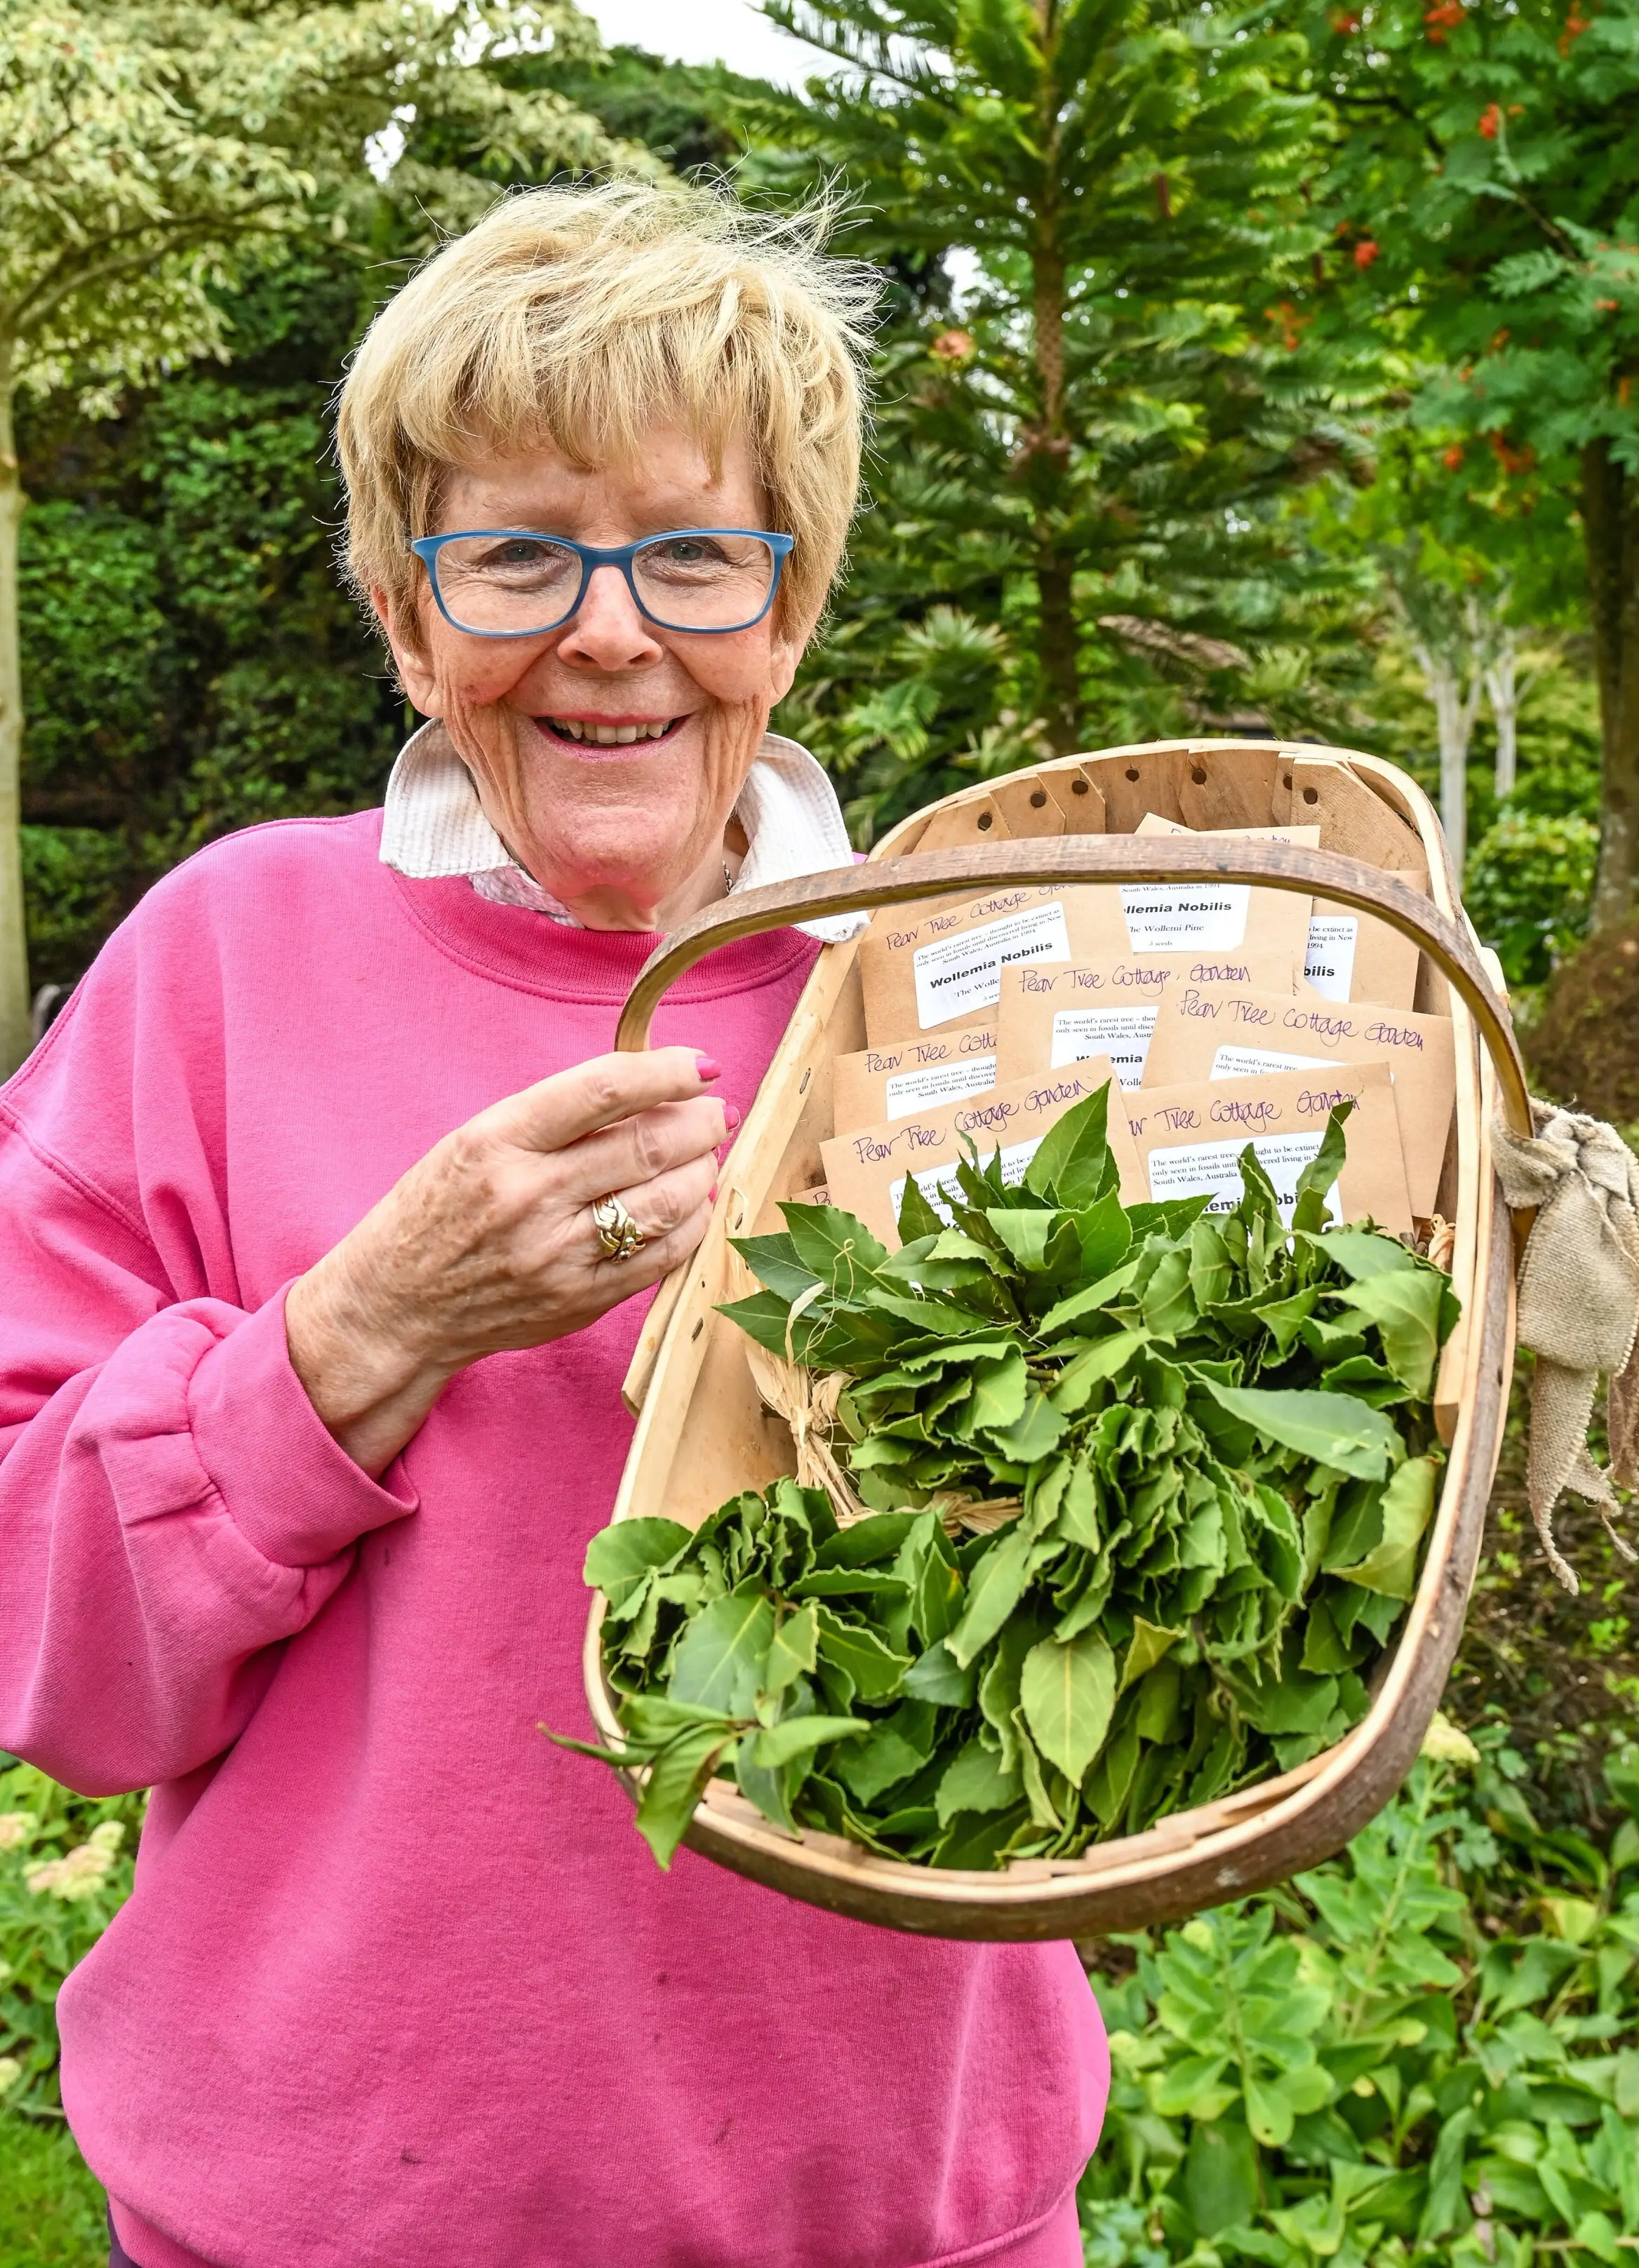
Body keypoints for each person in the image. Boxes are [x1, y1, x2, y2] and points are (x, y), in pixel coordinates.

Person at [0, 184, 1109, 2268]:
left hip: (895, 2218)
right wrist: (358, 1335)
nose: (610, 629)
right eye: (515, 554)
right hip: (321, 2222)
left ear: (788, 608)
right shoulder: (222, 970)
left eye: (690, 553)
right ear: (409, 616)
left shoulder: (967, 997)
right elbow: (40, 1657)